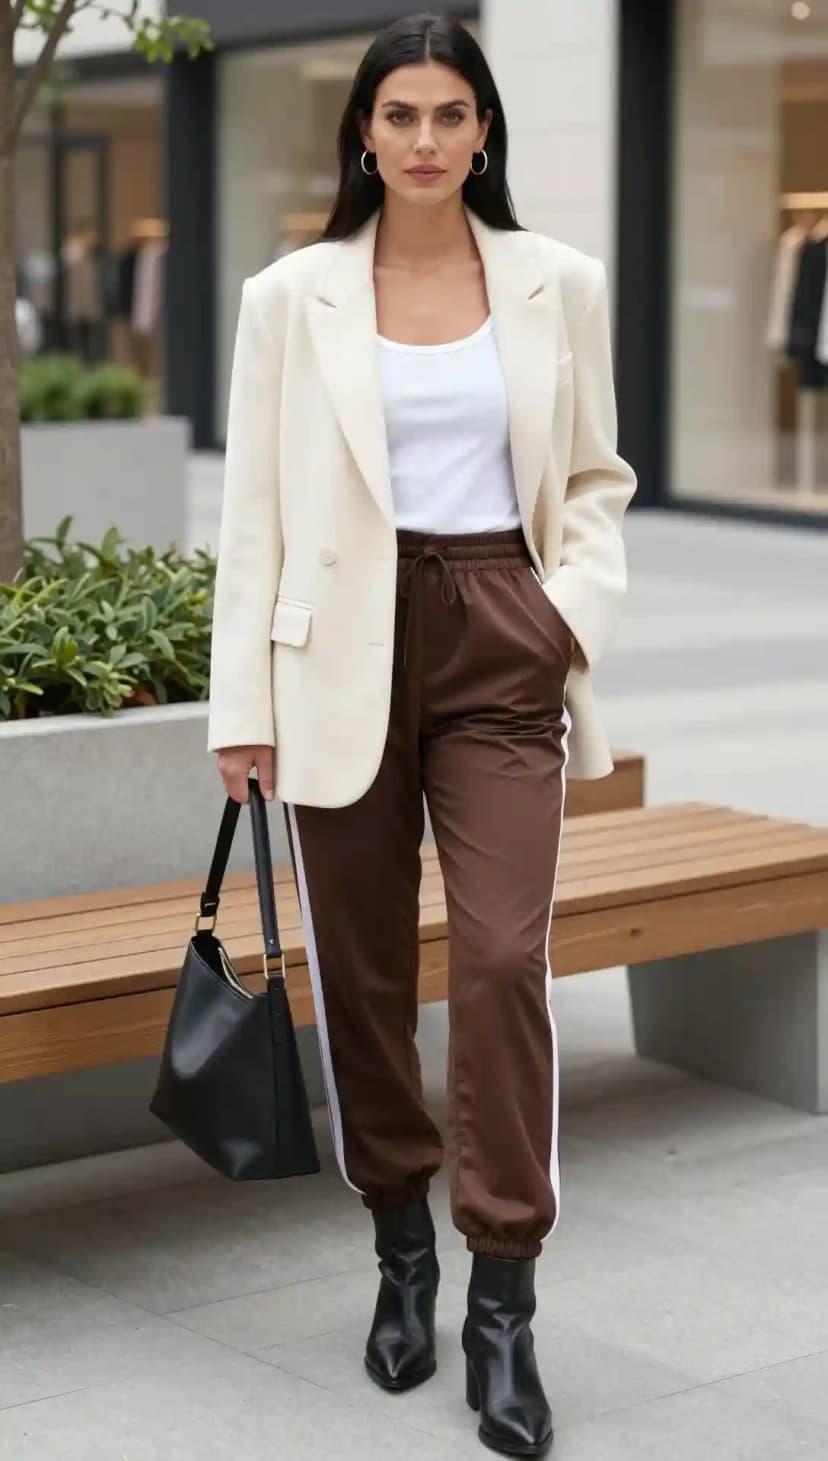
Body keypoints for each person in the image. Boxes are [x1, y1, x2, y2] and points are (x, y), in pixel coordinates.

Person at [207, 12, 636, 1457]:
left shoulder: (555, 283)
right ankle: (402, 1246)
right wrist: (240, 709)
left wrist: (563, 616)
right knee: (370, 969)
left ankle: (503, 1295)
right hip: (336, 653)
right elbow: (251, 516)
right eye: (403, 115)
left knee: (507, 957)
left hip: (499, 631)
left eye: (454, 114)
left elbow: (596, 477)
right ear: (366, 134)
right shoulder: (292, 295)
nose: (429, 140)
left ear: (487, 130)